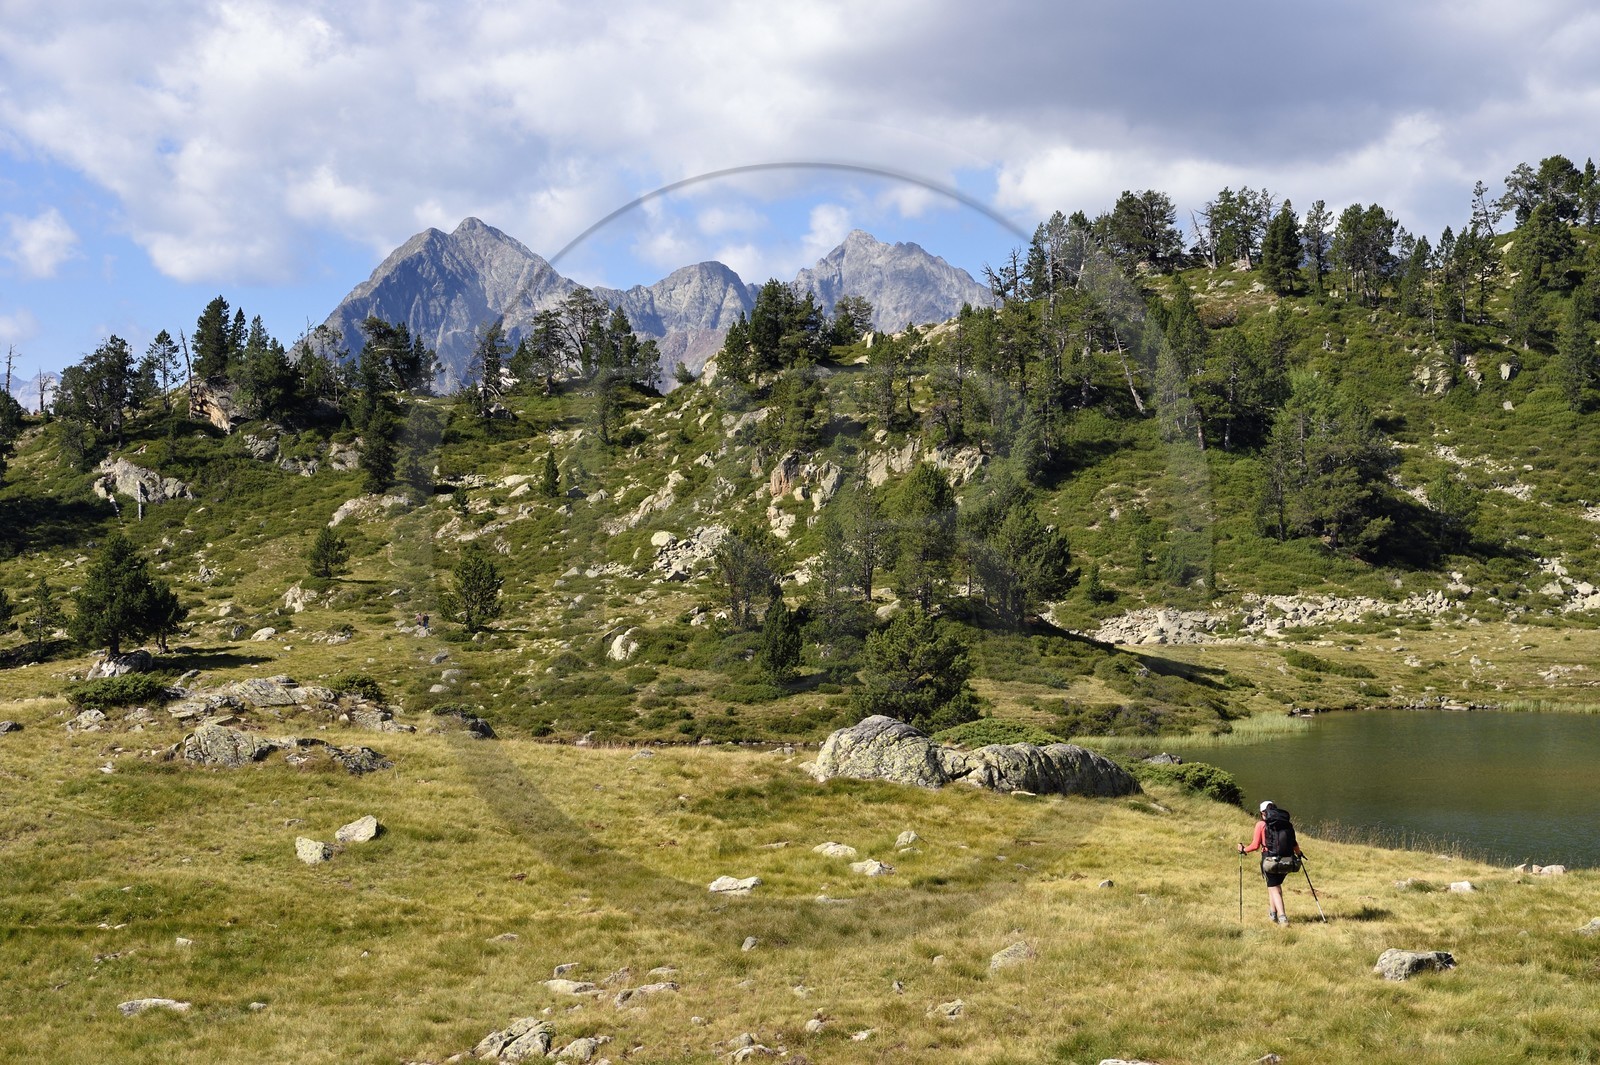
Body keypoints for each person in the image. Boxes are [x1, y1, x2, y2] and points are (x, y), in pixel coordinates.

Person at [1239, 800, 1302, 925]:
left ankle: (1283, 918)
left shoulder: (1261, 825)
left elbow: (1255, 845)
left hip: (1269, 861)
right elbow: (1294, 843)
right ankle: (1272, 915)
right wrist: (1299, 854)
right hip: (1287, 860)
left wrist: (1243, 850)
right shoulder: (1286, 825)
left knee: (1274, 889)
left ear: (1263, 812)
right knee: (1274, 886)